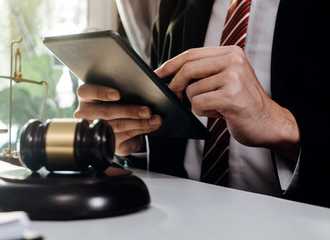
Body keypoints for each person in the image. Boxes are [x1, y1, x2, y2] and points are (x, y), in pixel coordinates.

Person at [74, 0, 329, 207]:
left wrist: (281, 126)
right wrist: (135, 139)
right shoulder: (174, 6)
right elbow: (170, 135)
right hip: (176, 220)